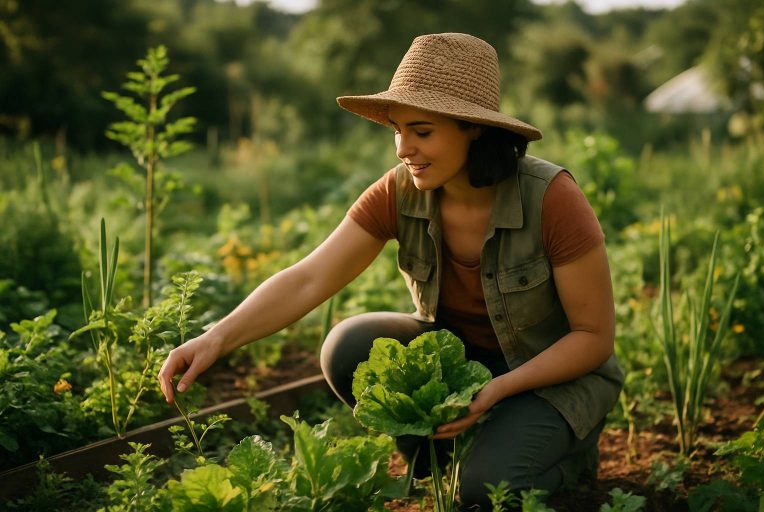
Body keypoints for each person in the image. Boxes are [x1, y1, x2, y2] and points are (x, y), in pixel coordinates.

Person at [158, 32, 624, 509]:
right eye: (397, 130)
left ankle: (569, 458)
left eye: (422, 132)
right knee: (349, 345)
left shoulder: (551, 198)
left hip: (550, 376)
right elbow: (309, 278)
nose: (403, 148)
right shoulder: (399, 191)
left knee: (487, 492)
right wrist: (216, 336)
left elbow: (593, 337)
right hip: (464, 365)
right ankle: (437, 459)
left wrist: (497, 390)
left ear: (474, 128)